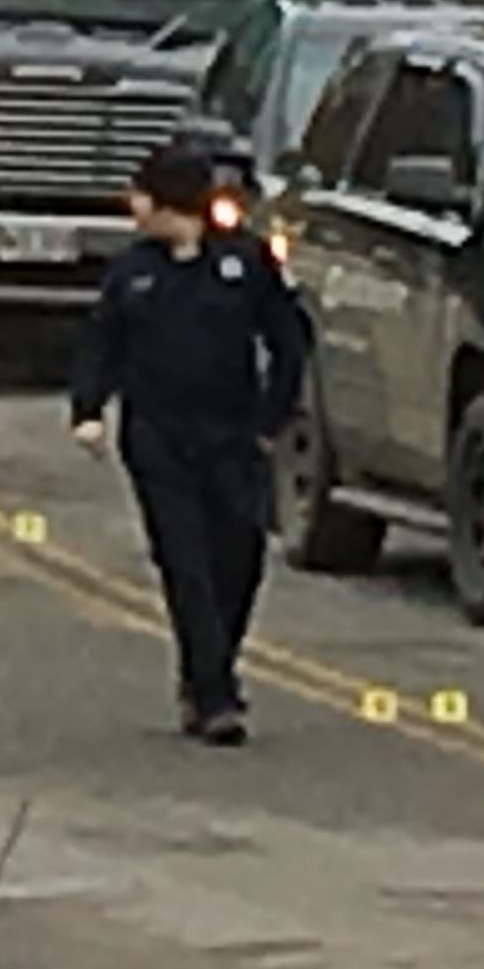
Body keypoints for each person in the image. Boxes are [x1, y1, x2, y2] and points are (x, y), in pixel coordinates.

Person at [69, 137, 313, 745]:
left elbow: (288, 341)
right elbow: (103, 344)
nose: (133, 206)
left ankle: (208, 669)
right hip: (158, 437)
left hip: (233, 435)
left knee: (240, 562)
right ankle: (215, 696)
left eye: (141, 195)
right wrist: (89, 409)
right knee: (186, 563)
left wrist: (270, 421)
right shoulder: (133, 274)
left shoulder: (245, 264)